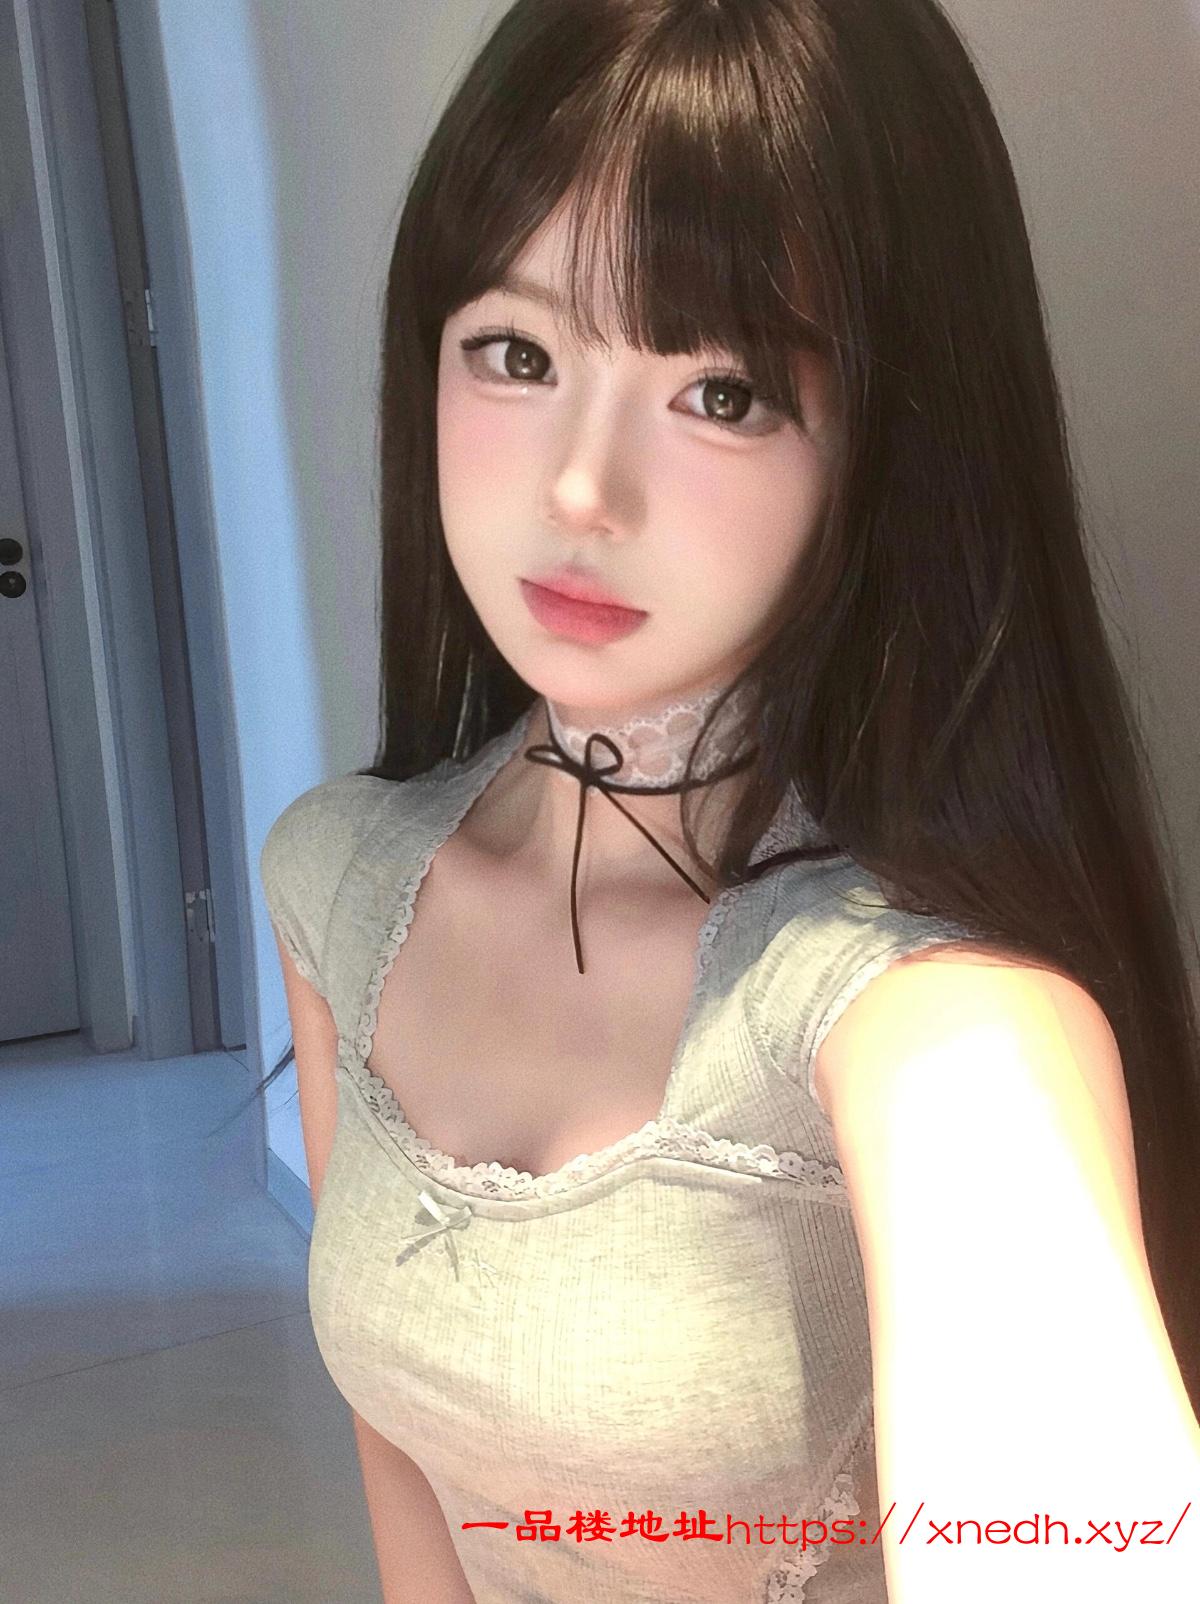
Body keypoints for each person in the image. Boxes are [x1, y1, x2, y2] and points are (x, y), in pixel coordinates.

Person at [251, 0, 1200, 1598]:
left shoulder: (944, 1028)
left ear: (890, 441)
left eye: (724, 393)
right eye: (517, 354)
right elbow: (409, 1486)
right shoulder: (336, 886)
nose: (579, 488)